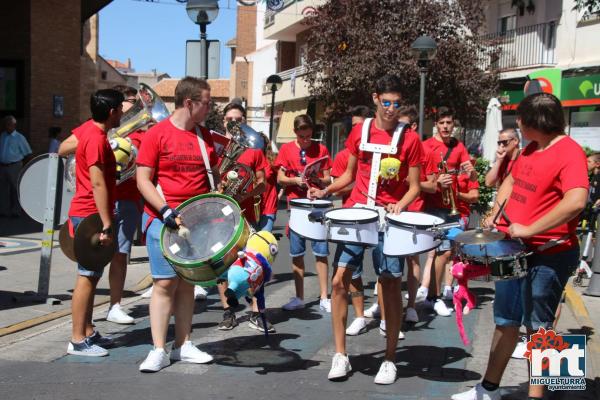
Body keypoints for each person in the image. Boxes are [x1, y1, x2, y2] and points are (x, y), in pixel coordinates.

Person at [452, 93, 589, 400]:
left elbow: (577, 201)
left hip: (550, 253)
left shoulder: (570, 152)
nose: (519, 126)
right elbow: (510, 183)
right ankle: (487, 389)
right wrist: (495, 213)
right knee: (505, 319)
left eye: (521, 121)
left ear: (533, 122)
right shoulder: (530, 148)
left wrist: (531, 228)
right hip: (515, 249)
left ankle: (541, 395)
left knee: (540, 328)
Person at [310, 75, 423, 384]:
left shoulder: (410, 139)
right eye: (386, 102)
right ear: (375, 98)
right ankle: (341, 355)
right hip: (358, 214)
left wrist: (400, 204)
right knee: (338, 282)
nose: (390, 109)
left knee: (389, 283)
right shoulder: (359, 132)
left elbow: (413, 187)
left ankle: (389, 359)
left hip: (388, 218)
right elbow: (348, 175)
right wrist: (326, 191)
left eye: (396, 104)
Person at [136, 77, 217, 372]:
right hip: (163, 220)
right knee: (164, 283)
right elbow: (142, 179)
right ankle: (158, 349)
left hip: (196, 223)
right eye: (206, 103)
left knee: (188, 285)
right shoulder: (156, 135)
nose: (210, 108)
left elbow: (211, 179)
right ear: (189, 103)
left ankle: (183, 345)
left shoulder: (204, 137)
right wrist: (165, 211)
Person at [66, 89, 123, 357]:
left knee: (92, 273)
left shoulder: (88, 131)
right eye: (121, 109)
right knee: (87, 276)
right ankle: (77, 339)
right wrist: (106, 223)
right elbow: (98, 183)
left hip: (88, 211)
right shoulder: (97, 139)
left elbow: (65, 146)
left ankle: (87, 331)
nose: (123, 113)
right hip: (90, 213)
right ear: (112, 112)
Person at [213, 102, 272, 332]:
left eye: (237, 119)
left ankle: (256, 312)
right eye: (229, 119)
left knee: (252, 263)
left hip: (245, 214)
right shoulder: (216, 148)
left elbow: (262, 185)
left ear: (244, 121)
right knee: (221, 266)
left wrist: (243, 193)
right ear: (223, 121)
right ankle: (228, 311)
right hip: (218, 216)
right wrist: (220, 189)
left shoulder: (254, 149)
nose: (232, 123)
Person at [421, 107, 476, 316]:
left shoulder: (458, 146)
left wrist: (472, 172)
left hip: (452, 208)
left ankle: (433, 296)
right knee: (437, 253)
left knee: (446, 253)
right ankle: (432, 297)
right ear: (436, 124)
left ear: (454, 125)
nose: (445, 126)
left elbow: (471, 177)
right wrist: (436, 182)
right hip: (432, 207)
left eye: (449, 123)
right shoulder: (426, 146)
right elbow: (418, 179)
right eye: (442, 123)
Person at [275, 114, 332, 312]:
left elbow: (328, 179)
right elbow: (280, 177)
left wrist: (317, 178)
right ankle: (299, 297)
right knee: (297, 253)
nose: (306, 141)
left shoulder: (321, 149)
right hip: (296, 206)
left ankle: (324, 296)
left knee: (321, 252)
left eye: (308, 136)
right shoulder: (286, 149)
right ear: (295, 133)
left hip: (317, 205)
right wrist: (295, 181)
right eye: (302, 137)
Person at [330, 105, 373, 336]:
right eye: (354, 125)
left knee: (386, 273)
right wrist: (326, 189)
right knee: (350, 272)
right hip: (350, 215)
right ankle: (359, 316)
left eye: (361, 125)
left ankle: (387, 319)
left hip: (377, 215)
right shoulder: (344, 155)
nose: (357, 129)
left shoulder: (380, 149)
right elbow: (339, 187)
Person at [0, 115, 32, 217]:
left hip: (15, 166)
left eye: (9, 124)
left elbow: (28, 153)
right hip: (3, 166)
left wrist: (24, 167)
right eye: (5, 124)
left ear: (14, 125)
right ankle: (4, 210)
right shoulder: (3, 136)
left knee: (15, 189)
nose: (7, 126)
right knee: (3, 189)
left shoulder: (19, 137)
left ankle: (16, 211)